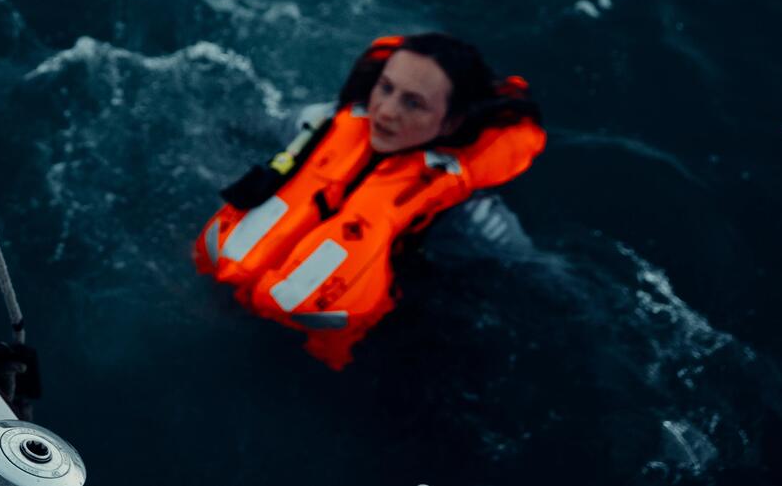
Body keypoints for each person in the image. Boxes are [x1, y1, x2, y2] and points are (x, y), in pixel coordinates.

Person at [193, 34, 545, 368]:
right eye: (386, 88)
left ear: (450, 124)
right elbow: (247, 125)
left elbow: (533, 271)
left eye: (413, 103)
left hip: (362, 333)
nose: (386, 111)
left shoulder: (472, 215)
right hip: (258, 293)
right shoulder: (320, 124)